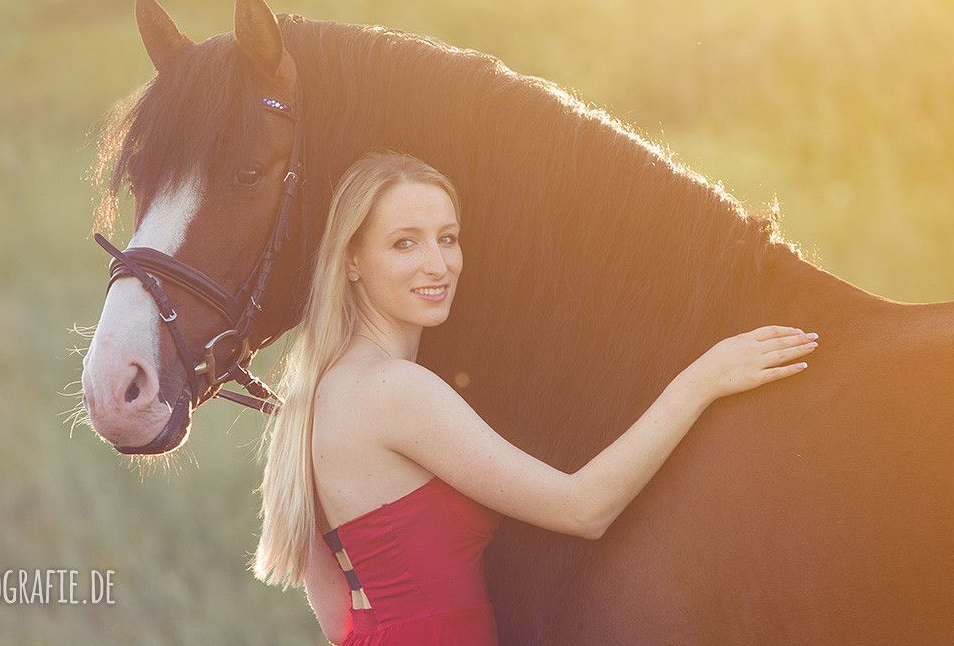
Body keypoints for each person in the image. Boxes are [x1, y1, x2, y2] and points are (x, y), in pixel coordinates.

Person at [250, 150, 818, 645]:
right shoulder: (395, 390)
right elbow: (582, 508)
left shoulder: (323, 392)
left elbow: (337, 620)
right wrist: (705, 377)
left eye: (448, 238)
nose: (438, 264)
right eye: (405, 243)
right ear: (350, 260)